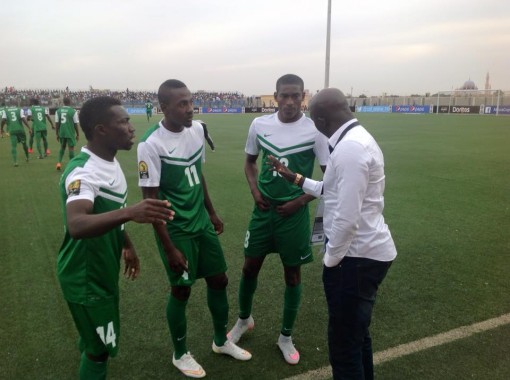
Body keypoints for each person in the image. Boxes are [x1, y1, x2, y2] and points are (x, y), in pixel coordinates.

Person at [267, 88, 397, 379]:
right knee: (357, 337)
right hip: (365, 255)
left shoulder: (350, 148)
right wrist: (294, 177)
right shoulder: (356, 140)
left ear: (321, 120)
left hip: (355, 259)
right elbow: (332, 189)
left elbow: (347, 218)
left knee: (344, 348)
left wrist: (331, 261)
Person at [137, 79, 251, 379]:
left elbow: (197, 175)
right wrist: (169, 247)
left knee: (219, 279)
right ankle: (179, 354)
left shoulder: (198, 130)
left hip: (200, 223)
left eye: (191, 101)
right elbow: (149, 202)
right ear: (164, 108)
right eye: (182, 104)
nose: (190, 109)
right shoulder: (150, 144)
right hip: (175, 230)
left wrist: (211, 212)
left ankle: (219, 341)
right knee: (181, 289)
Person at [57, 96, 174, 380]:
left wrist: (127, 244)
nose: (131, 127)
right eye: (123, 121)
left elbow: (112, 210)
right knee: (99, 352)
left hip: (102, 268)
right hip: (86, 276)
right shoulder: (84, 171)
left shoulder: (108, 162)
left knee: (93, 342)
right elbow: (77, 223)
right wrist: (132, 213)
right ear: (101, 130)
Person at [227, 74, 329, 365]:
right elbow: (249, 162)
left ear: (303, 96)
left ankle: (285, 337)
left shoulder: (314, 131)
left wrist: (299, 201)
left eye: (295, 96)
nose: (288, 102)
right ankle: (244, 320)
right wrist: (255, 190)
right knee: (249, 267)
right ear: (275, 96)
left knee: (292, 274)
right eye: (283, 96)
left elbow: (329, 176)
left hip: (294, 214)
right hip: (263, 211)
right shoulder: (259, 124)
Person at [55, 97, 80, 170]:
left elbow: (57, 123)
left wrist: (57, 133)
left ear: (63, 102)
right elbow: (76, 124)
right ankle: (71, 165)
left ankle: (59, 163)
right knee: (71, 148)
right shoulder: (73, 111)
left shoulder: (58, 111)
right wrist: (78, 134)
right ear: (70, 102)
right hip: (70, 132)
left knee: (62, 147)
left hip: (62, 132)